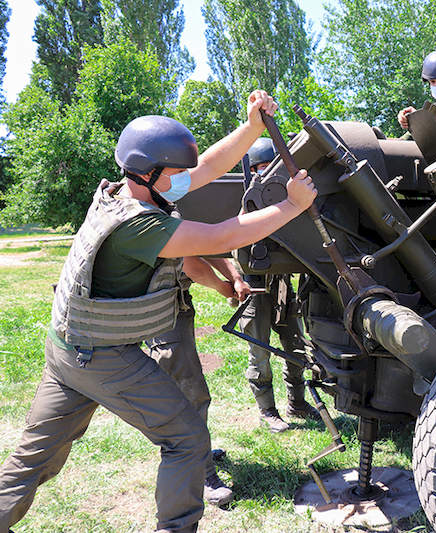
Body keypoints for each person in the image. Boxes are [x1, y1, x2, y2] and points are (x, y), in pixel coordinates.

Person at [0, 90, 317, 533]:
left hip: (66, 352)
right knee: (187, 440)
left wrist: (250, 128)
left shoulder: (122, 192)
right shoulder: (141, 224)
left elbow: (205, 166)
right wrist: (291, 205)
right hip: (102, 358)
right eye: (176, 171)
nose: (187, 176)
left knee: (34, 458)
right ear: (148, 173)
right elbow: (220, 236)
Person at [145, 254, 249, 508]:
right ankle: (202, 472)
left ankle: (197, 452)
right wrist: (223, 286)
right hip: (156, 309)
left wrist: (235, 277)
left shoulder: (186, 214)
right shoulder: (166, 214)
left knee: (190, 392)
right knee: (189, 395)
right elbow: (191, 262)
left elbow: (208, 246)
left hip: (174, 304)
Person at [238, 137, 319, 433]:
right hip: (255, 288)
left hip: (283, 284)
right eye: (260, 169)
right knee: (259, 352)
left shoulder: (288, 200)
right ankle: (267, 411)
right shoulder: (245, 200)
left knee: (295, 346)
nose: (267, 176)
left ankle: (296, 403)